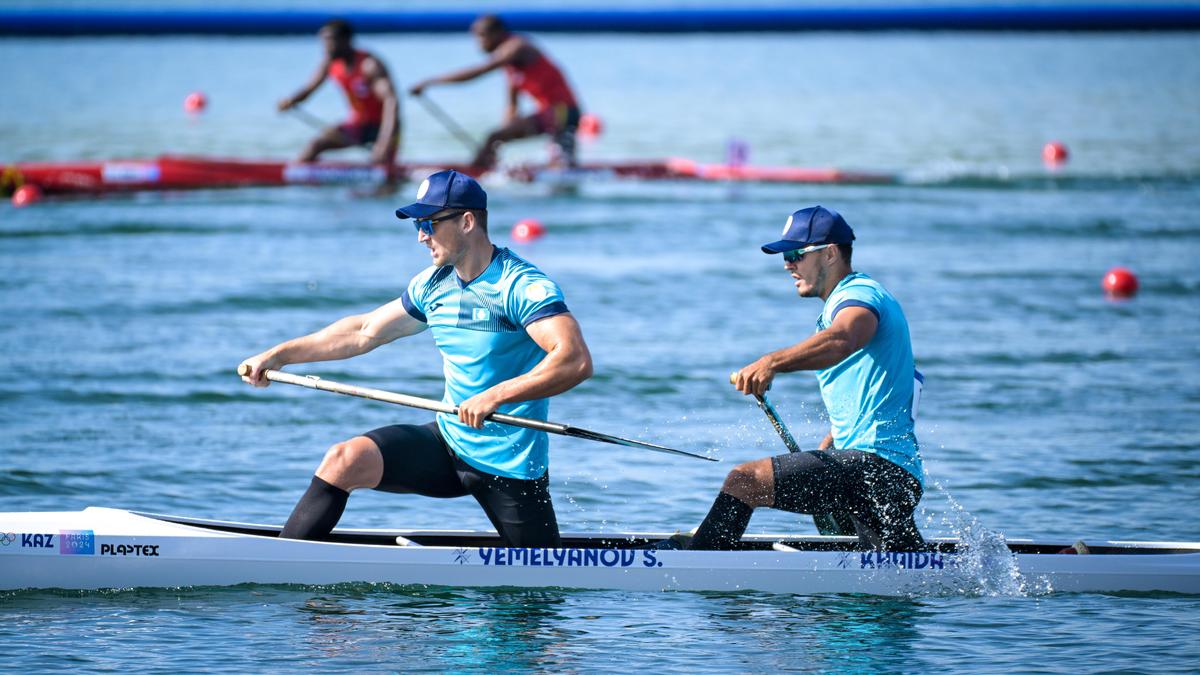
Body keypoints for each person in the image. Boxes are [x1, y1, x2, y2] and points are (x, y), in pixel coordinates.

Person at [239, 169, 593, 547]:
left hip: (510, 463)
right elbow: (363, 332)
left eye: (429, 223)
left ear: (467, 221)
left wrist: (494, 396)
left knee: (537, 593)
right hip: (450, 441)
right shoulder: (433, 284)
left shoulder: (520, 287)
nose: (422, 235)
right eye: (417, 225)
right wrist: (280, 355)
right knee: (345, 458)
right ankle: (282, 559)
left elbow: (573, 360)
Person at [684, 206, 926, 551]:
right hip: (886, 474)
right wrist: (832, 440)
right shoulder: (843, 303)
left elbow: (844, 338)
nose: (788, 265)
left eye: (796, 254)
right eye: (786, 256)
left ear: (829, 254)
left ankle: (695, 568)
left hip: (875, 470)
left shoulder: (860, 295)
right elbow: (883, 390)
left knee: (745, 480)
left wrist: (772, 362)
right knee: (900, 568)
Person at [408, 14, 581, 171]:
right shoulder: (511, 64)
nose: (479, 43)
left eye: (481, 36)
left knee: (493, 137)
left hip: (562, 111)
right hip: (556, 113)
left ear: (497, 33)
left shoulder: (516, 47)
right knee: (562, 163)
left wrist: (430, 82)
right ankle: (494, 168)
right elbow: (512, 103)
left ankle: (476, 172)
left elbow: (479, 71)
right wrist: (506, 130)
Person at [278, 19, 401, 168]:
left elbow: (391, 101)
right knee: (315, 145)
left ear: (346, 40)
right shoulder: (330, 63)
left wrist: (384, 143)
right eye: (323, 41)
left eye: (330, 41)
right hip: (357, 125)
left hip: (383, 126)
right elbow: (309, 88)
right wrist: (291, 101)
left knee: (381, 170)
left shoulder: (369, 65)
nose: (326, 47)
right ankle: (299, 176)